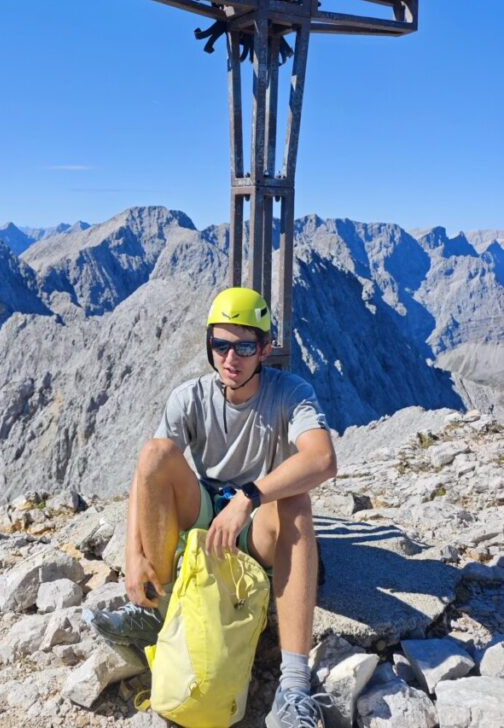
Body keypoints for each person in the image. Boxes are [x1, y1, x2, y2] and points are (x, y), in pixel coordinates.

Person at [84, 287, 337, 728]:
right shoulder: (191, 397)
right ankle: (157, 611)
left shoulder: (290, 392)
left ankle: (294, 687)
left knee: (297, 499)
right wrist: (132, 557)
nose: (230, 358)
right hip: (204, 516)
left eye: (244, 346)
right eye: (220, 345)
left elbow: (322, 459)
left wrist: (250, 497)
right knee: (155, 453)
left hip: (257, 522)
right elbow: (147, 477)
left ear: (263, 349)